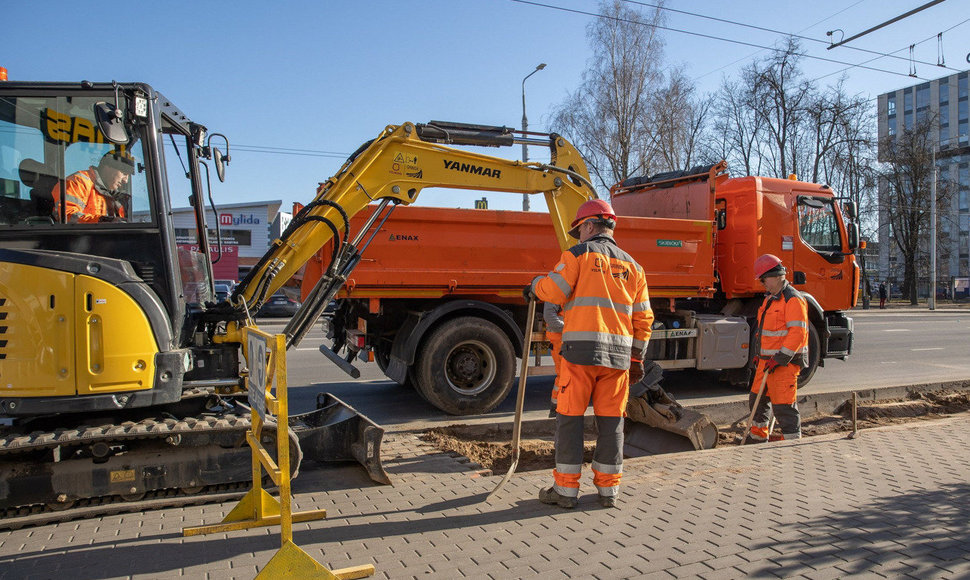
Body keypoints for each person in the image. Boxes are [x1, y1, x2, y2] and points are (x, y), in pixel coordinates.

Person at [524, 199, 653, 509]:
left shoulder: (578, 255)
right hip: (619, 360)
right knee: (612, 423)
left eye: (578, 229)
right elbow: (644, 320)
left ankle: (566, 491)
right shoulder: (634, 267)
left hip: (580, 355)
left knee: (570, 420)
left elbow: (553, 291)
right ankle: (609, 491)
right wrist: (636, 360)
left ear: (589, 225)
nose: (577, 236)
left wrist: (533, 286)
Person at [748, 254, 809, 442]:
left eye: (763, 278)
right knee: (757, 402)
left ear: (775, 275)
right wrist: (758, 355)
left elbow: (797, 334)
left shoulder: (793, 300)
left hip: (784, 365)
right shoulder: (769, 300)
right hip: (765, 364)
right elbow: (763, 332)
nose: (762, 283)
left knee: (783, 407)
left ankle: (792, 443)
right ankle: (758, 438)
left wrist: (780, 358)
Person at [52, 151, 134, 223]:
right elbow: (67, 217)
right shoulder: (78, 182)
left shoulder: (117, 198)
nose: (125, 180)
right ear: (108, 166)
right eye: (124, 173)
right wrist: (104, 221)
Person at [543, 302, 564, 417]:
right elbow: (550, 316)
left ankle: (556, 408)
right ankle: (556, 408)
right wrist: (569, 328)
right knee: (564, 375)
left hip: (564, 338)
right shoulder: (556, 292)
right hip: (560, 339)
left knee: (566, 375)